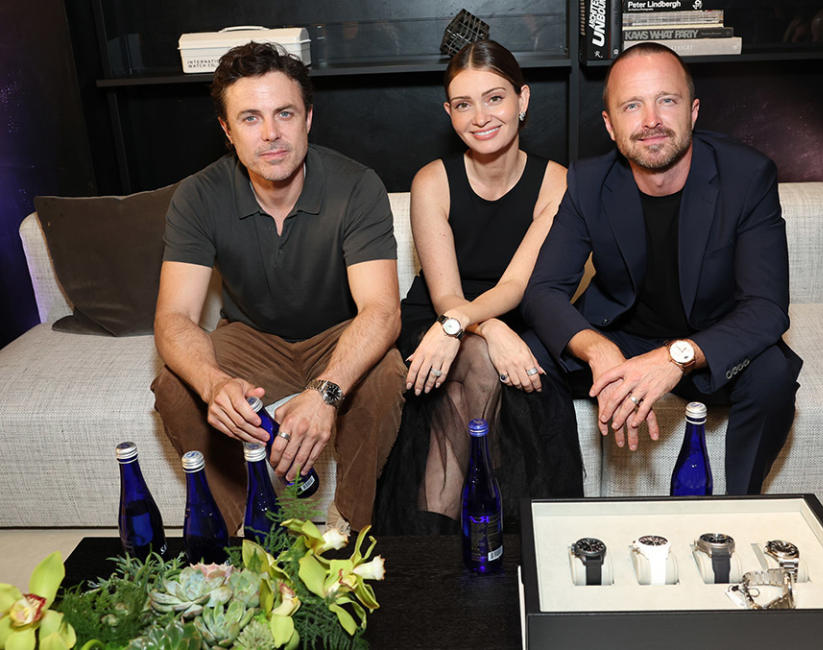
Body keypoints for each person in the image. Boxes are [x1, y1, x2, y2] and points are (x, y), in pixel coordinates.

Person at [521, 42, 803, 495]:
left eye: (665, 100)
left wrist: (676, 357)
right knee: (528, 357)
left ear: (693, 112)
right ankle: (557, 505)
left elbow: (767, 308)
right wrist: (597, 351)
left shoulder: (746, 176)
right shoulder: (589, 182)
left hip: (712, 338)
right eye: (633, 105)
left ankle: (740, 508)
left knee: (773, 374)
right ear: (611, 127)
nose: (650, 120)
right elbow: (544, 291)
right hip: (624, 335)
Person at [151, 41, 406, 536]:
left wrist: (325, 393)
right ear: (227, 131)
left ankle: (346, 529)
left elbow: (381, 310)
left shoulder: (356, 185)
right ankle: (251, 528)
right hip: (250, 336)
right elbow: (174, 316)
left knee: (386, 373)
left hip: (337, 330)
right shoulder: (198, 195)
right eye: (250, 118)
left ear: (308, 118)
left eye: (284, 113)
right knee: (174, 386)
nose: (271, 134)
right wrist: (213, 383)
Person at [374, 40, 583, 534]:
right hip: (436, 319)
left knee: (487, 373)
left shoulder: (557, 183)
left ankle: (446, 544)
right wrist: (478, 329)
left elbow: (515, 284)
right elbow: (446, 295)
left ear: (522, 100)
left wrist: (485, 328)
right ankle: (466, 543)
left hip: (513, 318)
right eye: (463, 104)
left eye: (495, 98)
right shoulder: (433, 181)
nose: (480, 116)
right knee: (480, 367)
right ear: (449, 112)